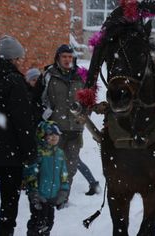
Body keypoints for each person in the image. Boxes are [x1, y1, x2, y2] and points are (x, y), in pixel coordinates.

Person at [0, 35, 37, 236]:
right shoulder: (14, 81)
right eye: (19, 58)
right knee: (9, 201)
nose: (21, 62)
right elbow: (22, 120)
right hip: (10, 153)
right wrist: (30, 151)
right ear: (13, 59)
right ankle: (4, 231)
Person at [41, 44, 100, 197]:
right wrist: (46, 117)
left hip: (75, 129)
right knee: (52, 164)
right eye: (64, 57)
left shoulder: (82, 76)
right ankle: (50, 197)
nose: (67, 60)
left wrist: (85, 116)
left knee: (71, 166)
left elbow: (90, 101)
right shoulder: (49, 75)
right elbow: (40, 99)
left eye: (70, 57)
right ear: (58, 58)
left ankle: (62, 197)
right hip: (55, 129)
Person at [23, 121, 69, 236]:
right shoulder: (38, 153)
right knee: (37, 221)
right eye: (50, 134)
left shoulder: (59, 153)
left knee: (48, 222)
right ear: (42, 136)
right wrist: (33, 192)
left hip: (53, 196)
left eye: (56, 134)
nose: (54, 137)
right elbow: (30, 173)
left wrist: (64, 190)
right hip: (39, 195)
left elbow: (64, 173)